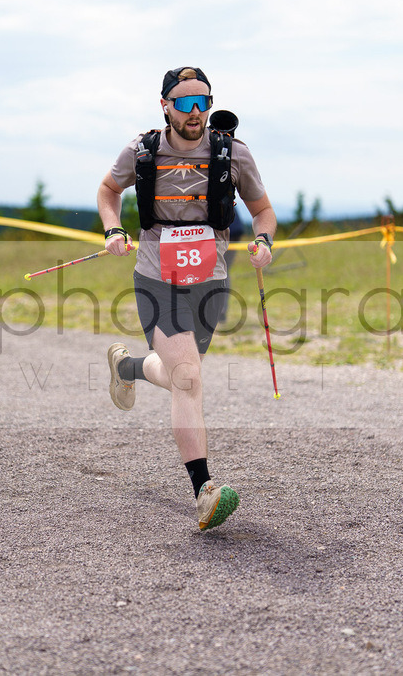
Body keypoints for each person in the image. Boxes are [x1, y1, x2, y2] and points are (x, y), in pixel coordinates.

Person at [98, 67, 276, 531]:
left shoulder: (231, 152)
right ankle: (205, 490)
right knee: (189, 377)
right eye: (185, 103)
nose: (196, 113)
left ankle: (128, 368)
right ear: (165, 106)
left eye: (204, 102)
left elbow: (263, 211)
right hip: (156, 278)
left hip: (210, 280)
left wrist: (264, 243)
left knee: (182, 375)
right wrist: (113, 229)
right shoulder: (142, 152)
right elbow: (108, 190)